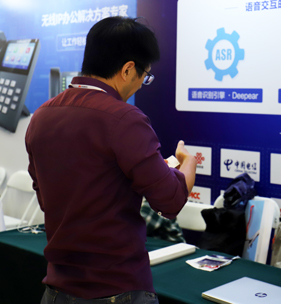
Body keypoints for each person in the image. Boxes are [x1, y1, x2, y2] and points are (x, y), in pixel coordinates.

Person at [26, 16, 196, 304]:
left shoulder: (41, 116)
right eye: (145, 76)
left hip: (57, 287)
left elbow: (45, 198)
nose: (141, 84)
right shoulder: (124, 119)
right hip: (116, 287)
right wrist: (188, 163)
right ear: (128, 69)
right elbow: (170, 201)